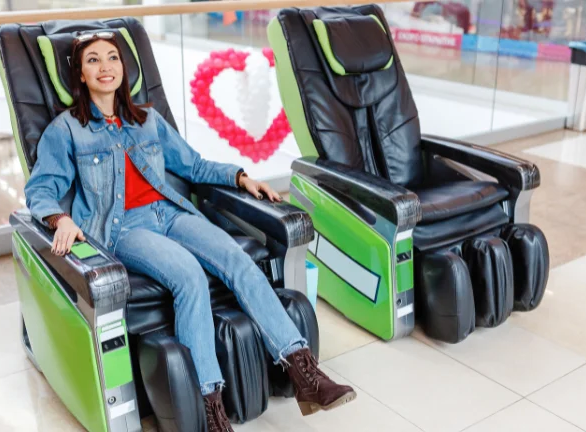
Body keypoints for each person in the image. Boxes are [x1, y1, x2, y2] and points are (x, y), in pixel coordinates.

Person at [24, 30, 356, 430]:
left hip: (171, 213)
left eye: (112, 58)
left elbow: (193, 166)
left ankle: (305, 374)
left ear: (124, 68)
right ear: (79, 74)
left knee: (236, 258)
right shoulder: (66, 130)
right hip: (124, 228)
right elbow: (41, 189)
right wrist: (59, 218)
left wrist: (238, 176)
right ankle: (211, 409)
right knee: (189, 277)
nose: (105, 67)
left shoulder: (147, 120)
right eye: (92, 60)